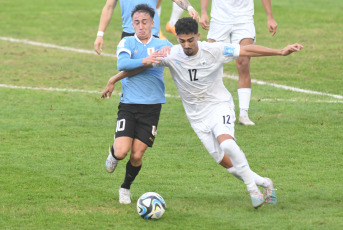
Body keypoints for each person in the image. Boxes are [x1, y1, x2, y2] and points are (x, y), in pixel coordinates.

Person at [106, 17, 302, 208]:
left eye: (190, 40)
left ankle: (253, 190)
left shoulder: (215, 50)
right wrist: (114, 79)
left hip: (219, 105)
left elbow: (246, 49)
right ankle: (266, 183)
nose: (187, 45)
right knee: (226, 163)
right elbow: (144, 65)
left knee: (227, 144)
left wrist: (280, 51)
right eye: (182, 41)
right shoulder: (172, 54)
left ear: (198, 36)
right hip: (197, 117)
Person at [102, 4, 173, 204]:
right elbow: (123, 64)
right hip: (129, 105)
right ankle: (114, 154)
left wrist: (171, 50)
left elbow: (184, 55)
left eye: (144, 22)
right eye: (136, 23)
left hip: (152, 108)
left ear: (152, 23)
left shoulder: (163, 44)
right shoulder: (127, 42)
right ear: (131, 24)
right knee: (122, 151)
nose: (140, 26)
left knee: (137, 155)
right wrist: (146, 60)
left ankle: (125, 188)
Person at [199, 0, 278, 126]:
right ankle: (208, 111)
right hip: (219, 19)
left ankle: (243, 114)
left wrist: (270, 17)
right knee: (212, 63)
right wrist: (203, 12)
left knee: (243, 61)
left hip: (244, 18)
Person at [94, 0, 199, 55]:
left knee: (151, 74)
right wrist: (100, 34)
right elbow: (108, 7)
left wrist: (189, 7)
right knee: (128, 77)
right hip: (129, 34)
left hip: (151, 34)